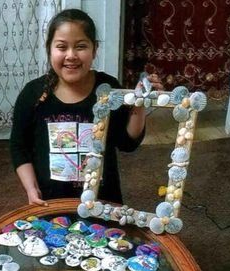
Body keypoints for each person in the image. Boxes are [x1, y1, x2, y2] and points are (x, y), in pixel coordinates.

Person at [9, 8, 163, 206]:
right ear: (49, 49)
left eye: (81, 46)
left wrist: (139, 104)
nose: (71, 55)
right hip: (51, 203)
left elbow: (127, 143)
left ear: (94, 49)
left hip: (102, 203)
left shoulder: (108, 89)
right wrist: (31, 189)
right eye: (62, 47)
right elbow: (18, 146)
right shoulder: (32, 93)